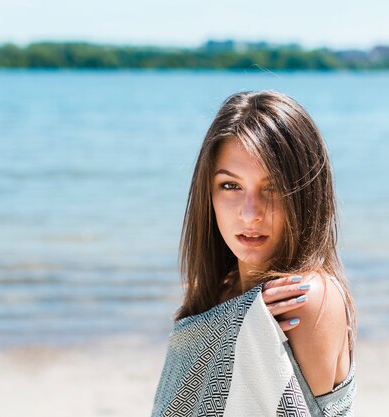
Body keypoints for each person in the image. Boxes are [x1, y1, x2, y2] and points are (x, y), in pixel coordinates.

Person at [152, 90, 357, 416]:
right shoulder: (222, 292)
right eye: (231, 186)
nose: (250, 214)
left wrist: (244, 321)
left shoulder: (307, 298)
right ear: (209, 195)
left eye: (272, 187)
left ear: (304, 194)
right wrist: (241, 318)